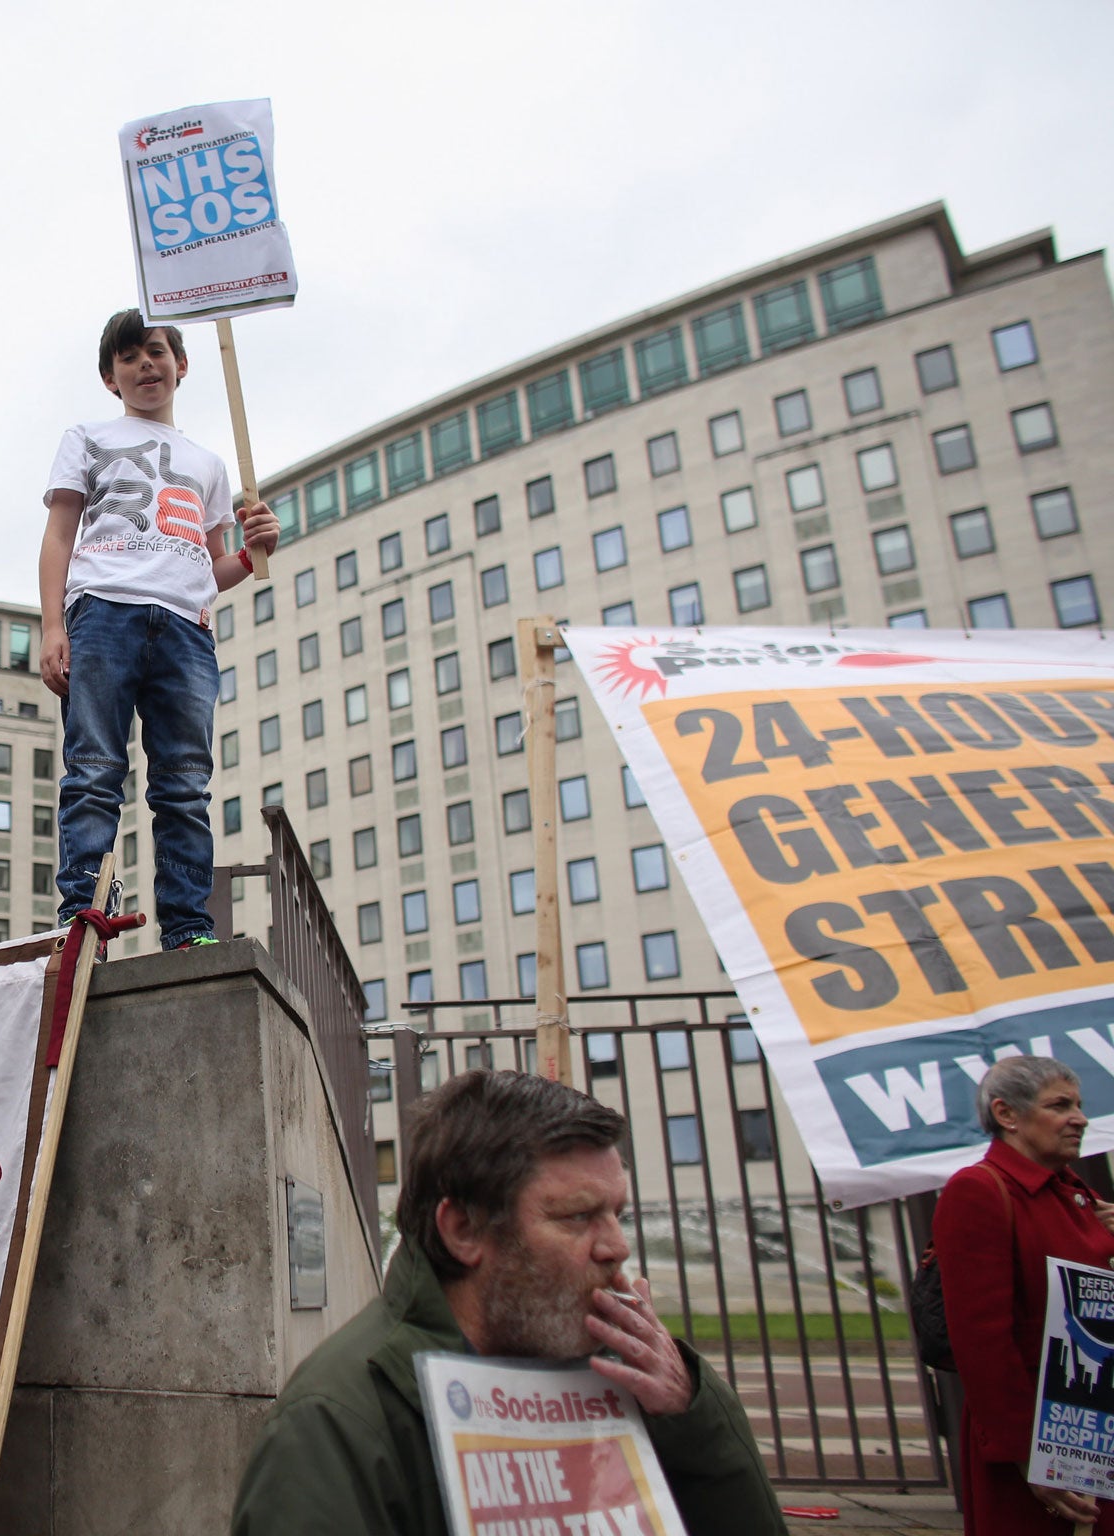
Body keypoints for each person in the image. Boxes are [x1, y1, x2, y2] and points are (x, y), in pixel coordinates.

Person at [232, 1070, 784, 1535]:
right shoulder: (333, 1427)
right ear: (465, 1230)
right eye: (577, 1216)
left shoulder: (640, 1385)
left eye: (619, 1213)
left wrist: (692, 1414)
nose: (616, 1246)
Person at [38, 308, 279, 948]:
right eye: (129, 356)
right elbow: (60, 534)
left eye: (157, 351)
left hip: (185, 628)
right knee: (92, 767)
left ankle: (188, 929)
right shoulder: (87, 436)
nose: (146, 364)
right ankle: (81, 909)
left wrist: (260, 547)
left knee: (183, 785)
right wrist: (52, 627)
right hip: (104, 610)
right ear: (110, 377)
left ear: (182, 365)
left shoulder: (208, 463)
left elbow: (215, 565)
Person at [933, 1055, 1114, 1532]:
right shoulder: (980, 1191)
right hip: (1035, 1428)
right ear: (1007, 1115)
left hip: (1095, 1420)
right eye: (1059, 1105)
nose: (1080, 1117)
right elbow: (982, 1343)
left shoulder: (1074, 1196)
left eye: (1078, 1104)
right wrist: (1029, 1455)